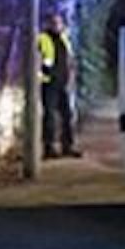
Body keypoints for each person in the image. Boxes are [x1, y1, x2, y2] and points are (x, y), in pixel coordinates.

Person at [38, 11, 79, 158]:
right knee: (49, 116)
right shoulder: (42, 38)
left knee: (67, 115)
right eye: (54, 22)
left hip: (63, 82)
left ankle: (67, 146)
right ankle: (49, 148)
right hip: (48, 83)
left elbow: (69, 59)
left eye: (59, 23)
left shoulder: (64, 39)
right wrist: (41, 75)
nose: (57, 25)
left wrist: (71, 77)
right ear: (48, 24)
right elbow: (36, 59)